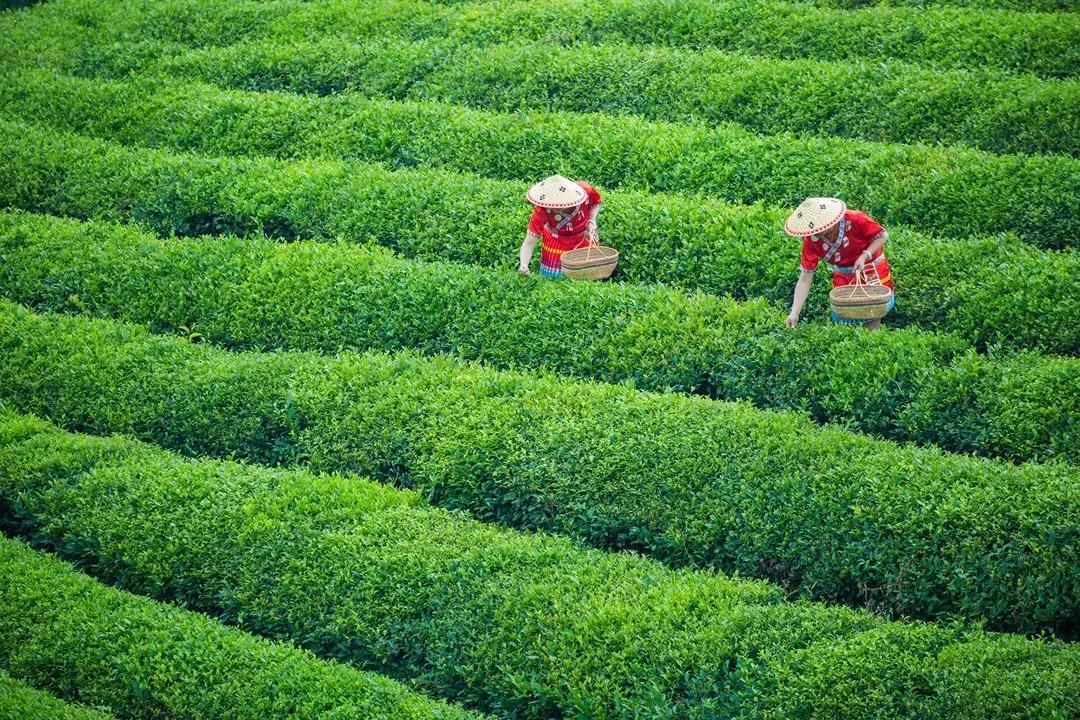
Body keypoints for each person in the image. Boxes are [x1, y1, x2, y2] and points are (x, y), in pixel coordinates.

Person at [783, 197, 894, 330]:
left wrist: (865, 255)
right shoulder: (811, 240)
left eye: (818, 229)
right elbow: (805, 278)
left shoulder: (855, 219)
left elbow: (883, 235)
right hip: (843, 274)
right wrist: (794, 314)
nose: (815, 234)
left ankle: (873, 341)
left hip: (870, 268)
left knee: (871, 308)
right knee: (845, 313)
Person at [518, 174, 602, 278]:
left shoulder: (585, 190)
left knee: (585, 276)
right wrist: (524, 265)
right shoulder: (541, 210)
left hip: (583, 238)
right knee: (554, 278)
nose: (557, 208)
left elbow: (596, 203)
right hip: (555, 243)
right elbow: (529, 242)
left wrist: (592, 221)